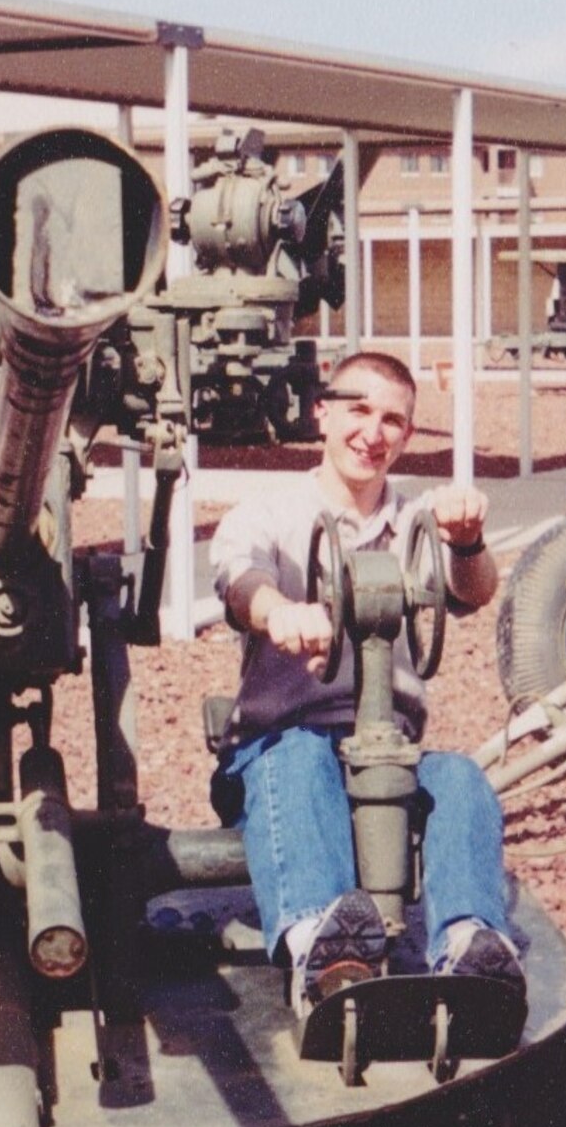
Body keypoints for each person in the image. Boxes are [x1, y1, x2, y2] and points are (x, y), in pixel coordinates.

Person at [207, 349, 523, 1018]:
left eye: (392, 420)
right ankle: (323, 948)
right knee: (295, 762)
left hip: (387, 747)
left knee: (461, 778)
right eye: (358, 409)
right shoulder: (266, 515)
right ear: (321, 412)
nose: (372, 433)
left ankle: (470, 944)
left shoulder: (416, 525)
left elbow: (473, 590)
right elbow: (239, 579)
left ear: (407, 436)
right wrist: (280, 611)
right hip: (278, 740)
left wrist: (466, 540)